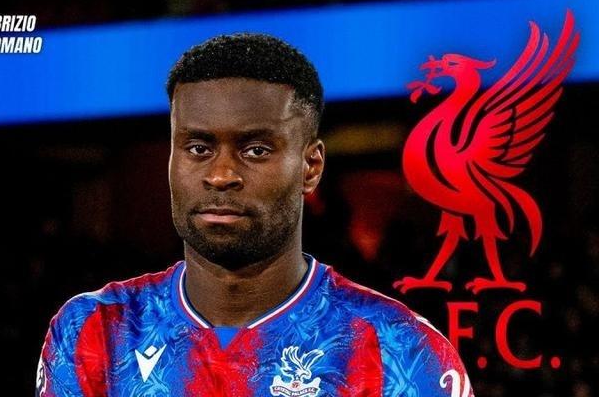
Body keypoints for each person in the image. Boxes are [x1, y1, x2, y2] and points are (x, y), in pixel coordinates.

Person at [36, 33, 474, 397]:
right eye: (198, 148)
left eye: (256, 150)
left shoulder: (400, 349)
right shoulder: (96, 330)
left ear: (310, 167)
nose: (221, 175)